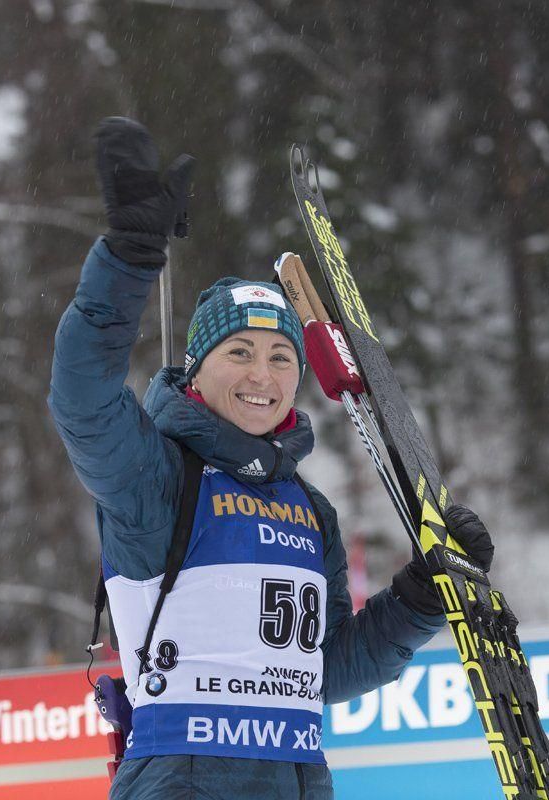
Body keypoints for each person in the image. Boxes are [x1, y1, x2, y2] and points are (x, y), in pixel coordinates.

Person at [49, 118, 494, 799]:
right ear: (196, 371)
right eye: (240, 352)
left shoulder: (309, 510)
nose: (263, 374)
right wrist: (129, 259)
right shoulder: (155, 474)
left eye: (281, 356)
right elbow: (82, 398)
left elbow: (329, 669)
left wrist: (419, 598)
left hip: (297, 780)